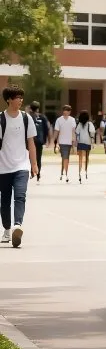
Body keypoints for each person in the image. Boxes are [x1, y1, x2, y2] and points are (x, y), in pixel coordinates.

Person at [0, 85, 38, 247]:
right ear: (9, 99)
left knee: (20, 196)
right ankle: (7, 229)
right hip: (3, 166)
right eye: (17, 97)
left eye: (21, 97)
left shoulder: (26, 118)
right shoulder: (1, 119)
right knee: (5, 201)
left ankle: (18, 225)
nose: (20, 100)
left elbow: (31, 143)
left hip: (22, 165)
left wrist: (34, 164)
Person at [28, 101, 50, 183]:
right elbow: (46, 129)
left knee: (31, 156)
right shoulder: (43, 117)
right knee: (38, 157)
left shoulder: (28, 116)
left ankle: (32, 172)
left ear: (31, 108)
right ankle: (38, 173)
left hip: (31, 140)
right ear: (38, 108)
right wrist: (47, 140)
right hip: (40, 140)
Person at [54, 105, 77, 182]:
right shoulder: (59, 120)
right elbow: (56, 131)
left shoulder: (72, 120)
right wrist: (55, 142)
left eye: (67, 110)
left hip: (69, 142)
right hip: (62, 142)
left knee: (66, 158)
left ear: (69, 112)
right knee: (65, 157)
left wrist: (74, 144)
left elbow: (73, 132)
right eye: (64, 110)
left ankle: (63, 173)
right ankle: (65, 174)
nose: (65, 111)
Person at [75, 110, 95, 184]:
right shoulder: (90, 124)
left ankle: (80, 172)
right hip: (88, 142)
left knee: (80, 158)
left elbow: (77, 132)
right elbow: (92, 132)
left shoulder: (79, 124)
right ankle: (85, 171)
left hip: (80, 142)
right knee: (87, 157)